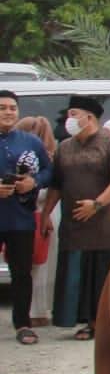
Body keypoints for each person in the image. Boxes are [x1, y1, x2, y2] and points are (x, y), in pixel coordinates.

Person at [42, 96, 110, 340]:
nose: (68, 120)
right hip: (74, 225)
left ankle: (99, 324)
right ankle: (77, 320)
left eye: (73, 114)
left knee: (101, 276)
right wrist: (45, 214)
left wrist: (97, 204)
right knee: (74, 274)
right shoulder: (65, 147)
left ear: (89, 117)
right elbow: (57, 185)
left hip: (105, 225)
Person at [0, 90, 53, 345]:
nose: (8, 112)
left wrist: (33, 182)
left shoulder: (31, 142)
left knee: (22, 273)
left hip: (20, 218)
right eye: (2, 108)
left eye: (12, 107)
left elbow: (49, 171)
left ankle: (23, 323)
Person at [16, 116, 57, 326]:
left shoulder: (44, 161)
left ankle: (34, 311)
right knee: (38, 266)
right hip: (41, 215)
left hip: (36, 215)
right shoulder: (51, 159)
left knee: (32, 266)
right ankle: (36, 311)